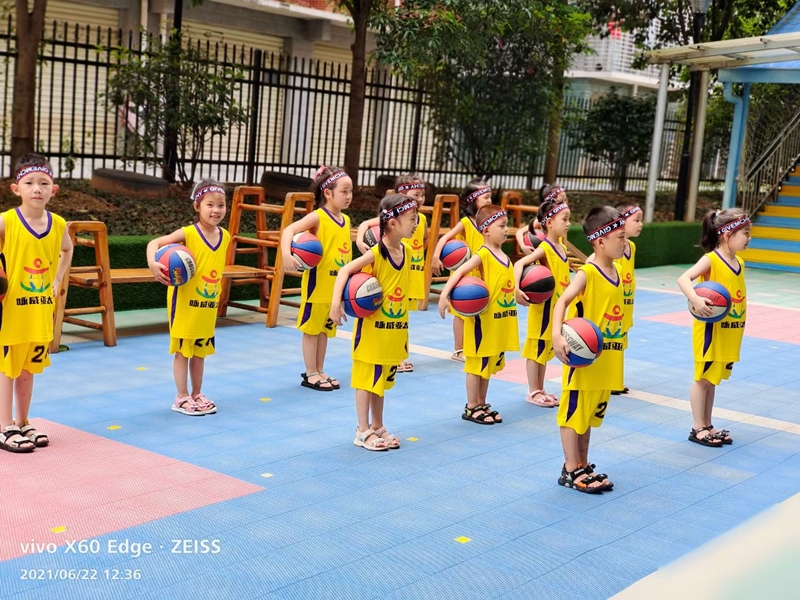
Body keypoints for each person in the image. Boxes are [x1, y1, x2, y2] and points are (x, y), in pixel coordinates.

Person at [330, 194, 417, 451]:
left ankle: (378, 426)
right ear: (392, 223)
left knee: (381, 383)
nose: (416, 224)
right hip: (371, 332)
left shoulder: (407, 251)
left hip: (395, 330)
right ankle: (362, 430)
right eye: (412, 219)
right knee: (366, 382)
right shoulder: (377, 253)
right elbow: (346, 271)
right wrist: (336, 303)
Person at [0, 154, 73, 452]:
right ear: (16, 188)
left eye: (44, 183)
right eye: (29, 183)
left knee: (28, 370)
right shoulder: (6, 221)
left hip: (41, 309)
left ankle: (23, 420)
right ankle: (4, 427)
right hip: (12, 310)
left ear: (53, 189)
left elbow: (66, 250)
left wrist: (57, 280)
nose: (37, 189)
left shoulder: (58, 224)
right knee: (8, 368)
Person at [552, 206, 627, 493]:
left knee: (588, 416)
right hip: (582, 361)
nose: (624, 242)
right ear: (599, 241)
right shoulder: (587, 273)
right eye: (620, 237)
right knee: (573, 414)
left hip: (606, 359)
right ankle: (570, 469)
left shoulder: (618, 270)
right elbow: (561, 302)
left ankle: (583, 463)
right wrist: (557, 335)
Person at [147, 179, 230, 416]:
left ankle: (197, 393)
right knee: (183, 351)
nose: (216, 210)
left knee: (200, 352)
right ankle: (181, 396)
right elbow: (155, 243)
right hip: (184, 304)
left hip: (208, 305)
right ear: (197, 206)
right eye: (210, 205)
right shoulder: (188, 233)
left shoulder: (225, 236)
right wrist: (153, 263)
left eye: (221, 205)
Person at [438, 205, 519, 425]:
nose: (506, 229)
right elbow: (461, 271)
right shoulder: (483, 254)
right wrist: (445, 294)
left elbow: (506, 284)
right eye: (501, 225)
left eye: (507, 225)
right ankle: (471, 406)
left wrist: (519, 294)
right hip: (482, 323)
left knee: (487, 367)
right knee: (476, 367)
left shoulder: (505, 256)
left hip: (499, 323)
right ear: (485, 230)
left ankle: (482, 403)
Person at [677, 209, 749, 447]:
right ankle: (698, 426)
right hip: (710, 332)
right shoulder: (711, 259)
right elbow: (684, 279)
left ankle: (708, 424)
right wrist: (696, 300)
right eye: (745, 233)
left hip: (729, 331)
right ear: (728, 234)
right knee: (702, 380)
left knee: (712, 380)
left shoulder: (739, 262)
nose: (748, 238)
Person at [280, 166, 352, 392]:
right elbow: (288, 231)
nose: (349, 196)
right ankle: (310, 372)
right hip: (316, 285)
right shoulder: (318, 216)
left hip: (334, 289)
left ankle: (320, 369)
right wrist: (286, 255)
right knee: (311, 331)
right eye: (344, 191)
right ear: (328, 193)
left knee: (325, 331)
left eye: (351, 191)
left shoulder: (346, 220)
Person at [355, 173, 428, 372]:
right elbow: (365, 224)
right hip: (393, 269)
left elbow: (426, 240)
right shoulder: (394, 217)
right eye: (415, 194)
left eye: (422, 195)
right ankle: (397, 357)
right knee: (392, 312)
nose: (420, 199)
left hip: (411, 272)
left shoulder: (420, 219)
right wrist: (361, 241)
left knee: (402, 315)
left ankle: (400, 355)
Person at [513, 195, 572, 407]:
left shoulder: (562, 249)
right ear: (549, 223)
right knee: (536, 352)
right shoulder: (545, 248)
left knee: (545, 351)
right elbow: (519, 264)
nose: (568, 223)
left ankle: (541, 388)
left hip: (556, 312)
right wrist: (517, 289)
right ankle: (533, 391)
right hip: (542, 312)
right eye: (564, 219)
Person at [586, 202, 644, 395]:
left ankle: (614, 378)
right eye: (636, 220)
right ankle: (608, 379)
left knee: (620, 340)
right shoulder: (607, 252)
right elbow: (594, 262)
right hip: (609, 306)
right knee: (608, 339)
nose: (640, 224)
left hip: (625, 303)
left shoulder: (631, 247)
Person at [432, 179, 493, 362]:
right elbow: (445, 238)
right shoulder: (466, 222)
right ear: (474, 200)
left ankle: (477, 344)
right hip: (464, 275)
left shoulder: (488, 222)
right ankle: (459, 349)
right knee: (460, 313)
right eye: (486, 197)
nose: (490, 200)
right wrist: (436, 256)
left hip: (483, 274)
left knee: (480, 309)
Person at [515, 185, 569, 255]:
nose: (565, 202)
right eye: (562, 200)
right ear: (551, 201)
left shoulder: (563, 221)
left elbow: (563, 245)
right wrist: (523, 246)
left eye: (565, 199)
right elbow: (519, 232)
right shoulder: (543, 220)